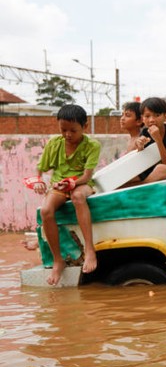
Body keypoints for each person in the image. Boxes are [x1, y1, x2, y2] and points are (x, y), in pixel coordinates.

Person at [29, 104, 101, 285]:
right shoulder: (54, 143)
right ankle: (58, 260)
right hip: (59, 186)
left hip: (81, 184)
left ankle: (90, 250)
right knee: (45, 211)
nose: (68, 134)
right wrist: (37, 181)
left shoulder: (92, 145)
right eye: (63, 130)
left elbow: (87, 176)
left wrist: (72, 183)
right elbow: (40, 170)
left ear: (84, 127)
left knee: (78, 197)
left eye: (73, 131)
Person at [128, 97, 166, 185]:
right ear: (142, 118)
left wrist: (158, 140)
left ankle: (142, 188)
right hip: (152, 171)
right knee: (128, 175)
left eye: (157, 115)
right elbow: (143, 162)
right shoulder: (145, 132)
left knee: (161, 169)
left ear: (165, 117)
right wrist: (140, 147)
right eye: (147, 116)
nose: (152, 120)